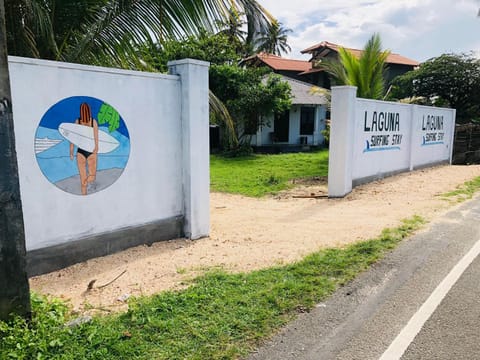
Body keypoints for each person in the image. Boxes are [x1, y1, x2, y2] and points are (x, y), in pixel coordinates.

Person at [69, 102, 99, 195]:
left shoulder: (81, 121)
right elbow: (96, 137)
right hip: (85, 152)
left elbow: (73, 138)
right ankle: (84, 194)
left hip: (83, 152)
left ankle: (84, 186)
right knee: (91, 176)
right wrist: (96, 148)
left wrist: (71, 151)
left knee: (87, 178)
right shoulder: (89, 122)